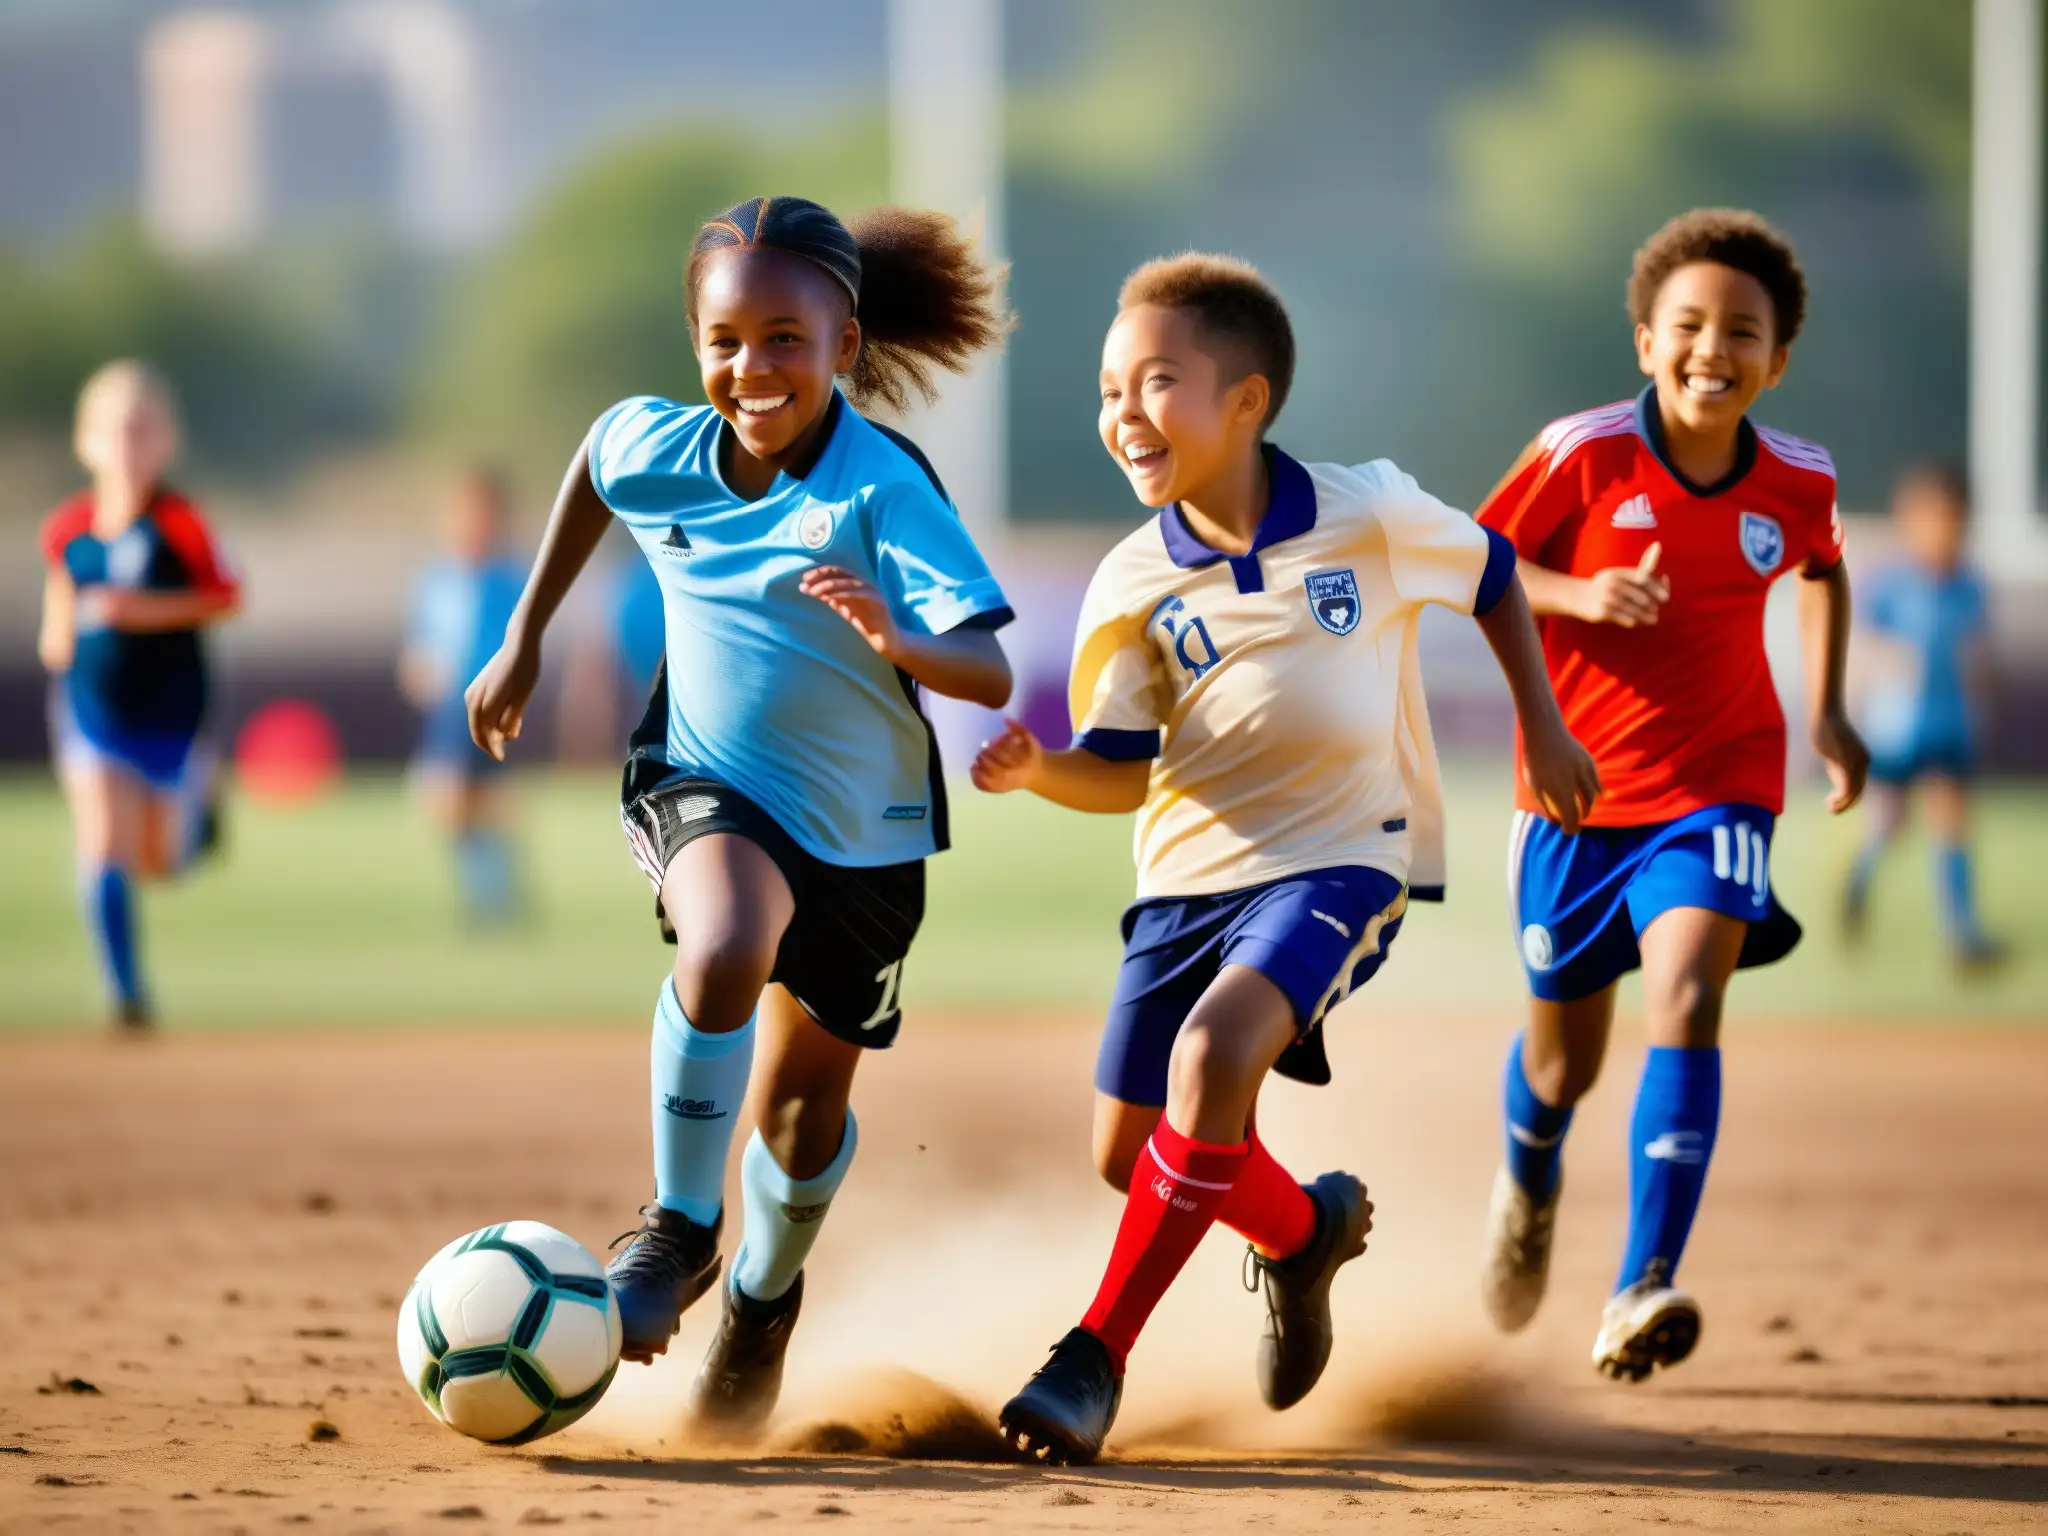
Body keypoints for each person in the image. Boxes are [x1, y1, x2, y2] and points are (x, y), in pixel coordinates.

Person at [973, 254, 1597, 1465]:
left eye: (1155, 383)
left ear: (1246, 401)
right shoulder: (1131, 581)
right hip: (1181, 885)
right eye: (1107, 390)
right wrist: (1039, 770)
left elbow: (1495, 576)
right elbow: (1116, 768)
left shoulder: (1365, 510)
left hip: (1339, 863)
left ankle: (1089, 1359)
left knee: (1211, 1060)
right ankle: (1301, 1230)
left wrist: (1545, 723)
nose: (1121, 415)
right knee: (1134, 1153)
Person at [465, 195, 1014, 1436]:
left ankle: (763, 1300)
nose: (749, 368)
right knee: (721, 944)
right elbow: (596, 470)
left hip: (867, 837)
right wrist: (521, 638)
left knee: (801, 1113)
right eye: (724, 340)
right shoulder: (655, 443)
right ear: (694, 341)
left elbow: (985, 669)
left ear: (845, 348)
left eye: (783, 340)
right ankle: (675, 1229)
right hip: (704, 778)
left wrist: (898, 634)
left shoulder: (883, 484)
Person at [1473, 209, 1869, 1383]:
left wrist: (1827, 712)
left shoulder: (1800, 476)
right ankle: (1529, 1175)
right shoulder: (1581, 452)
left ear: (1775, 360)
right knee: (1560, 1068)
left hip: (1719, 786)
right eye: (1687, 325)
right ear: (1644, 342)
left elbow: (1823, 568)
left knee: (1687, 994)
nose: (1713, 349)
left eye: (1740, 331)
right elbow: (1477, 567)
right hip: (1573, 795)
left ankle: (1639, 1283)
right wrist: (1581, 600)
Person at [37, 360, 241, 1030]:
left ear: (166, 442)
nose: (127, 446)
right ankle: (126, 993)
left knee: (159, 862)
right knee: (103, 844)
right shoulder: (68, 531)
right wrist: (65, 635)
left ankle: (199, 816)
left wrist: (142, 611)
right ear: (86, 442)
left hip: (172, 718)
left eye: (142, 431)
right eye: (114, 431)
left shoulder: (182, 523)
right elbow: (59, 621)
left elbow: (227, 597)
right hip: (93, 714)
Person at [1843, 463, 2000, 966]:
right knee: (1891, 821)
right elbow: (1862, 645)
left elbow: (1977, 655)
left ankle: (1962, 932)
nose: (1942, 532)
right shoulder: (1888, 581)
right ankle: (1860, 879)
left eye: (1952, 520)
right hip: (1896, 730)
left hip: (1948, 724)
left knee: (1950, 818)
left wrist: (1981, 702)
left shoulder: (1969, 586)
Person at [399, 467, 529, 927]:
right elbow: (423, 642)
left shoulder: (511, 578)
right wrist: (419, 671)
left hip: (490, 703)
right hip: (449, 707)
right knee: (449, 801)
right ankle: (490, 889)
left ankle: (496, 892)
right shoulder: (437, 578)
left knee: (480, 798)